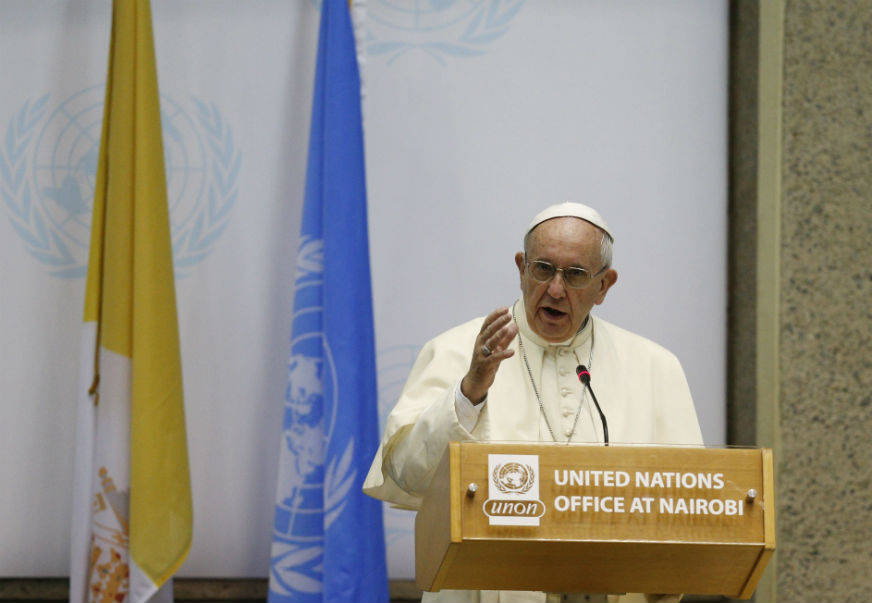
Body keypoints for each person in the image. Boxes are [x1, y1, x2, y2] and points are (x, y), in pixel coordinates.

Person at [363, 202, 703, 603]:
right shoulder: (456, 351)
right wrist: (470, 391)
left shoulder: (654, 368)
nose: (555, 289)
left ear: (604, 286)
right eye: (542, 269)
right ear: (521, 267)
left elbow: (689, 512)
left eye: (575, 275)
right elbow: (406, 473)